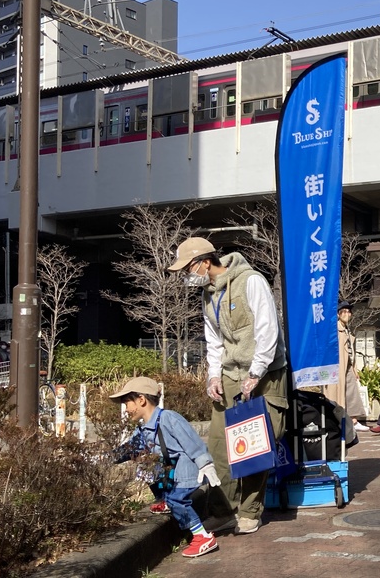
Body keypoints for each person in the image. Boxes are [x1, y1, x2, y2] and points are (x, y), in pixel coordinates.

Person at [167, 236, 288, 536]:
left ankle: (249, 512)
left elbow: (267, 329)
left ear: (205, 262)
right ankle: (223, 512)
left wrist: (256, 372)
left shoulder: (251, 281)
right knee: (219, 447)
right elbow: (214, 341)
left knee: (256, 445)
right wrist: (213, 376)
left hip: (266, 372)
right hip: (231, 374)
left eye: (187, 269)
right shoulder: (207, 295)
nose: (186, 276)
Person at [110, 376, 222, 558]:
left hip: (186, 470)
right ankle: (165, 499)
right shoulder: (143, 429)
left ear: (141, 400)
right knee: (147, 468)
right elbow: (129, 450)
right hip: (170, 470)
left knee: (177, 500)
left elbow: (192, 442)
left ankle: (202, 536)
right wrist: (105, 458)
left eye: (127, 403)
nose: (126, 409)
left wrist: (205, 463)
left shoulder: (169, 418)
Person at [337, 302, 369, 432]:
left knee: (352, 392)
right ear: (338, 314)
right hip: (338, 367)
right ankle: (341, 423)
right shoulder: (335, 329)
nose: (347, 314)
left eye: (349, 312)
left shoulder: (346, 329)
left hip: (348, 366)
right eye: (344, 311)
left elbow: (351, 351)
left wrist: (355, 369)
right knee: (339, 394)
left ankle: (354, 421)